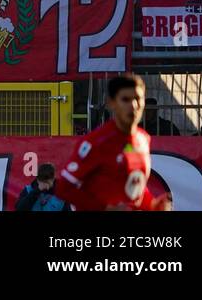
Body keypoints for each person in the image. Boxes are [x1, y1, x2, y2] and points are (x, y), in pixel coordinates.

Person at [57, 73, 172, 211]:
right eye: (125, 99)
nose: (133, 105)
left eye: (138, 98)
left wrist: (153, 205)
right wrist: (105, 208)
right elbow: (63, 188)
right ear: (111, 103)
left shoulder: (143, 139)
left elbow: (135, 190)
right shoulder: (96, 142)